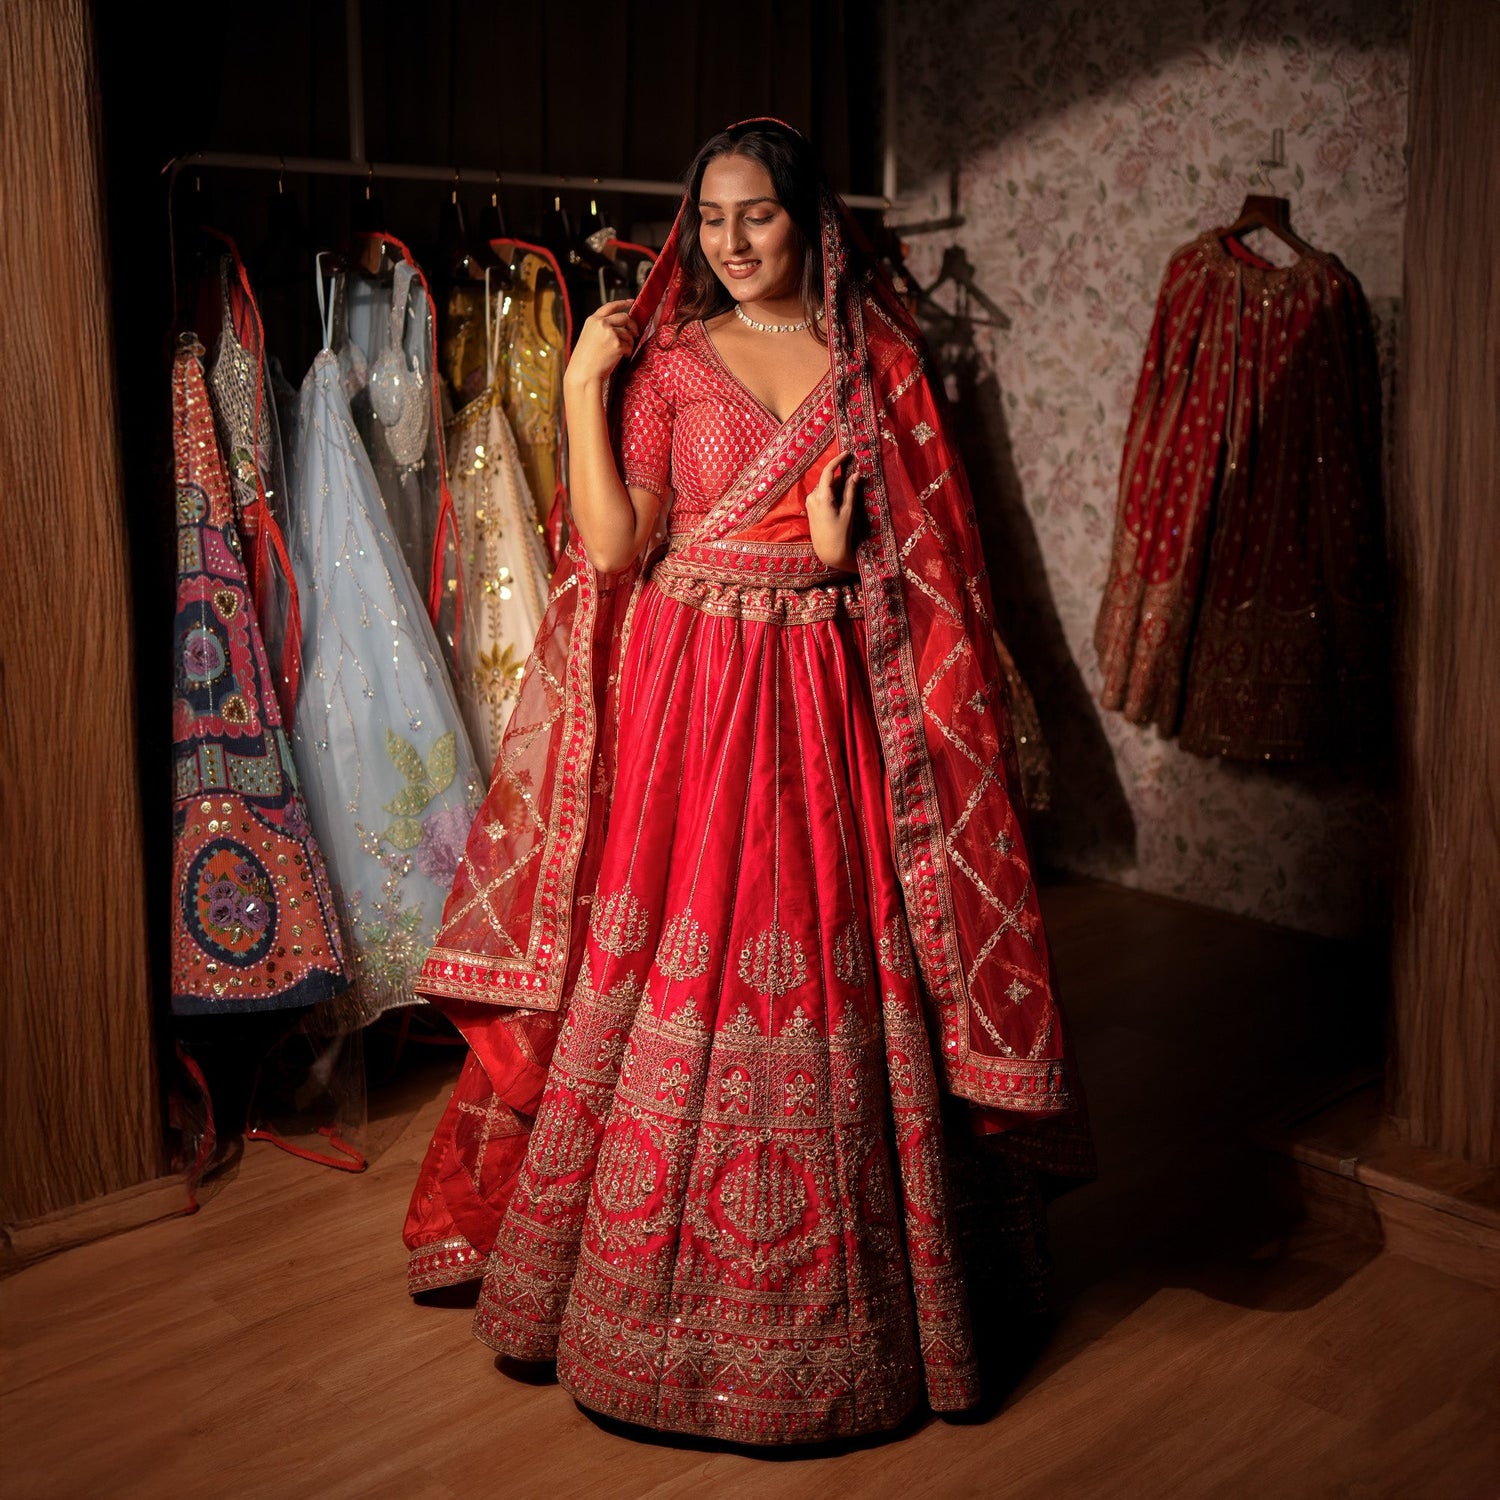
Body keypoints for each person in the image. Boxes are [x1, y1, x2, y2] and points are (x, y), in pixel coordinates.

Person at [404, 118, 1093, 1446]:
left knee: (818, 926)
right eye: (710, 218)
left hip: (823, 681)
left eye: (756, 215)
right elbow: (617, 543)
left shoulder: (876, 364)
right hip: (690, 687)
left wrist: (836, 562)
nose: (729, 242)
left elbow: (930, 563)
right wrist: (581, 388)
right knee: (681, 934)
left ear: (807, 219)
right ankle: (622, 1297)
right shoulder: (666, 362)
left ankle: (849, 1314)